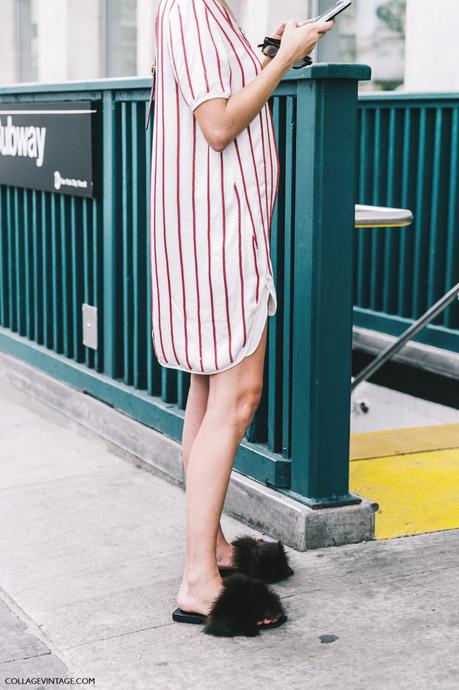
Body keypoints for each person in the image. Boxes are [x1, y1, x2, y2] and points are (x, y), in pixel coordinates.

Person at [150, 0, 334, 637]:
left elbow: (216, 94)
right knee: (239, 393)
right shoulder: (194, 9)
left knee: (207, 388)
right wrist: (285, 59)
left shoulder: (205, 11)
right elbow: (219, 124)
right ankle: (200, 581)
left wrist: (265, 51)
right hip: (214, 235)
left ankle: (216, 552)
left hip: (212, 230)